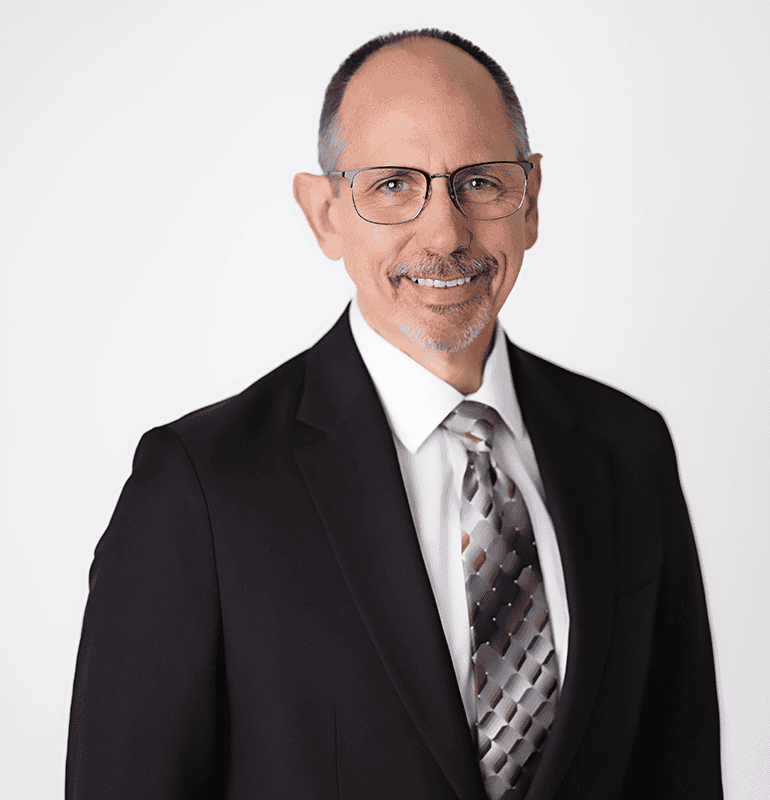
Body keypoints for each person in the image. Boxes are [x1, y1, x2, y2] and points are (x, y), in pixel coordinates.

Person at [65, 28, 722, 800]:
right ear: (324, 213)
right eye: (391, 186)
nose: (444, 233)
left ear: (531, 201)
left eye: (479, 182)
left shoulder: (629, 448)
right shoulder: (202, 488)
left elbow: (680, 773)